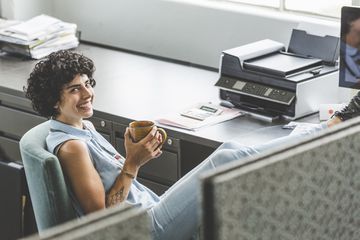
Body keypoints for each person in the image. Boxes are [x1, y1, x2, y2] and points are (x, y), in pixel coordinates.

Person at [24, 50, 358, 240]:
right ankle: (332, 127)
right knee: (223, 164)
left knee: (227, 153)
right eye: (74, 90)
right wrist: (132, 164)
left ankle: (323, 129)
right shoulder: (71, 148)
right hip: (143, 231)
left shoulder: (82, 128)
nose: (87, 94)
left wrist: (132, 162)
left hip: (148, 211)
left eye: (87, 84)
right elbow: (102, 223)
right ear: (53, 100)